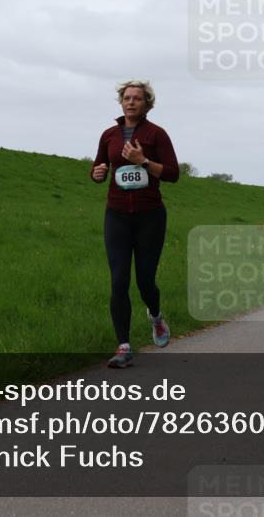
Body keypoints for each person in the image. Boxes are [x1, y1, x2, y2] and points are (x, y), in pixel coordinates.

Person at [91, 80, 179, 368]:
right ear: (121, 102)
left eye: (137, 98)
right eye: (126, 98)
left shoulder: (157, 134)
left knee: (144, 281)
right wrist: (97, 173)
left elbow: (173, 173)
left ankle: (156, 316)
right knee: (118, 280)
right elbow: (99, 167)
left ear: (147, 104)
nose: (130, 102)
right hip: (116, 215)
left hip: (149, 216)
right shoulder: (109, 135)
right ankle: (124, 346)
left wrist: (143, 161)